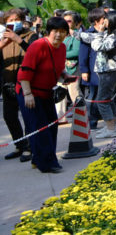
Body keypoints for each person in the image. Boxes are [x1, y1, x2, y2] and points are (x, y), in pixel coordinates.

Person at [17, 16, 71, 173]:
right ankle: (47, 163)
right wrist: (27, 94)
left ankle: (38, 158)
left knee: (51, 126)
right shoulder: (37, 46)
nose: (59, 35)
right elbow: (25, 72)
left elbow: (58, 68)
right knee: (40, 128)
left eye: (63, 32)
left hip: (47, 92)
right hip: (29, 92)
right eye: (55, 31)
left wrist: (65, 76)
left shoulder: (61, 47)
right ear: (49, 32)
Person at [80, 10, 116, 138]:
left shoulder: (114, 37)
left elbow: (99, 46)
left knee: (102, 101)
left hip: (109, 72)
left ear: (112, 21)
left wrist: (99, 33)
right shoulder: (108, 34)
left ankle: (110, 129)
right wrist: (77, 34)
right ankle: (111, 126)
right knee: (108, 100)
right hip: (106, 72)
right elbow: (90, 38)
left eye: (106, 19)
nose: (103, 21)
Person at [1, 8, 37, 162]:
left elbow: (34, 53)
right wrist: (4, 42)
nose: (13, 22)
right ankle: (19, 144)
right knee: (9, 116)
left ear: (23, 20)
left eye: (16, 19)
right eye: (9, 20)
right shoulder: (3, 38)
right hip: (7, 82)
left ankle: (29, 148)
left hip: (26, 83)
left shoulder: (31, 35)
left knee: (27, 115)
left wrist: (18, 39)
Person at [78, 8, 105, 129]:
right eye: (103, 18)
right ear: (96, 21)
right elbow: (83, 54)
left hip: (106, 70)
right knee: (93, 95)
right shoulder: (87, 34)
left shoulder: (107, 32)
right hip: (93, 70)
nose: (105, 20)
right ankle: (92, 121)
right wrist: (84, 70)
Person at [60, 11, 83, 118]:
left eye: (69, 21)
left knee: (74, 92)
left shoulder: (76, 35)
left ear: (75, 23)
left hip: (73, 68)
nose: (66, 23)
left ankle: (81, 116)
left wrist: (59, 54)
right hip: (60, 68)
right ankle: (60, 116)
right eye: (64, 21)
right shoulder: (61, 34)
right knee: (59, 93)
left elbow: (76, 52)